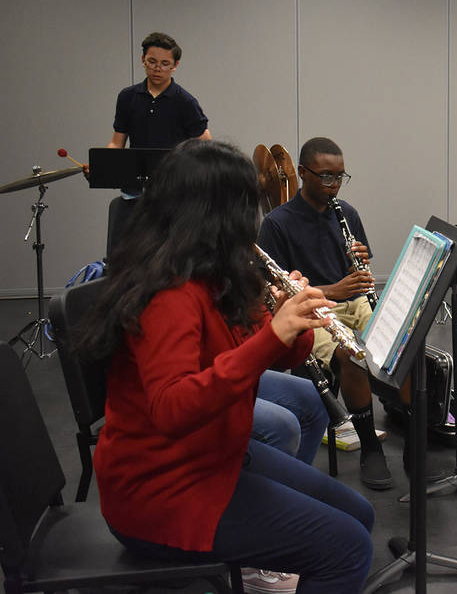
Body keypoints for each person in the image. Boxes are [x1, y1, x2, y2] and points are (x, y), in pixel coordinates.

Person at [78, 140, 374, 594]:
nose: (252, 221)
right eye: (245, 207)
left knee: (362, 514)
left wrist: (289, 321)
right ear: (215, 214)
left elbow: (283, 354)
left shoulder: (216, 272)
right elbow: (172, 407)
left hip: (215, 454)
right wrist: (272, 334)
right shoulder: (169, 291)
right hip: (162, 489)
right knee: (347, 547)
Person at [257, 137, 398, 491]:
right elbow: (275, 295)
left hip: (354, 303)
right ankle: (369, 445)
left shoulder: (346, 213)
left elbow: (358, 271)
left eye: (340, 177)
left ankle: (412, 422)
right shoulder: (277, 223)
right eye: (325, 177)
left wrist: (360, 261)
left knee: (400, 342)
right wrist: (334, 291)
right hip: (312, 311)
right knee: (351, 358)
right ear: (303, 173)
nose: (334, 185)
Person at [107, 31, 211, 150]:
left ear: (175, 65)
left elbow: (206, 148)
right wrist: (101, 163)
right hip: (137, 167)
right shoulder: (127, 96)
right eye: (152, 62)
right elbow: (116, 143)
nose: (157, 69)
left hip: (173, 167)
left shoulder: (186, 102)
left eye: (165, 64)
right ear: (143, 60)